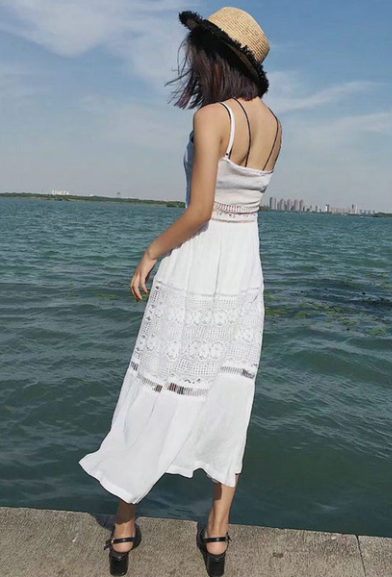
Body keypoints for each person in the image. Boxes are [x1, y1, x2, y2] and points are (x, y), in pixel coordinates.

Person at [79, 6, 282, 577]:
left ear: (217, 60)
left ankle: (124, 528)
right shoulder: (274, 124)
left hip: (197, 266)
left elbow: (199, 212)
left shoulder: (212, 117)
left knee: (155, 386)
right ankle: (216, 533)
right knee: (229, 393)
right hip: (243, 273)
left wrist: (150, 252)